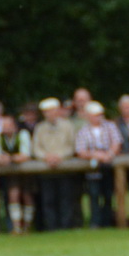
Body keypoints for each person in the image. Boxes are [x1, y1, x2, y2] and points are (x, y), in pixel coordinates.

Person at [33, 98, 80, 231]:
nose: (49, 114)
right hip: (46, 169)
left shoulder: (68, 126)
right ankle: (52, 227)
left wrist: (59, 156)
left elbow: (72, 146)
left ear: (57, 111)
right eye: (46, 112)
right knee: (48, 200)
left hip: (64, 168)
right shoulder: (40, 128)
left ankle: (65, 226)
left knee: (66, 199)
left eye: (51, 111)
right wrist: (46, 157)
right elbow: (36, 148)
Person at [74, 101, 122, 228]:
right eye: (96, 115)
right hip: (92, 167)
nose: (98, 117)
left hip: (107, 165)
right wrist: (96, 154)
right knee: (93, 195)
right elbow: (80, 150)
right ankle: (95, 222)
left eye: (100, 114)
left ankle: (107, 221)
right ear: (89, 116)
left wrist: (108, 155)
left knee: (108, 194)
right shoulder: (83, 131)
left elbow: (116, 142)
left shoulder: (110, 126)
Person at [0, 112, 35, 233]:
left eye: (8, 125)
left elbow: (26, 155)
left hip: (26, 171)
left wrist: (9, 158)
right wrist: (1, 159)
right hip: (12, 173)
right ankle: (17, 227)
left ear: (14, 126)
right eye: (3, 126)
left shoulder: (23, 135)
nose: (6, 128)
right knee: (13, 195)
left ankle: (27, 226)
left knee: (27, 196)